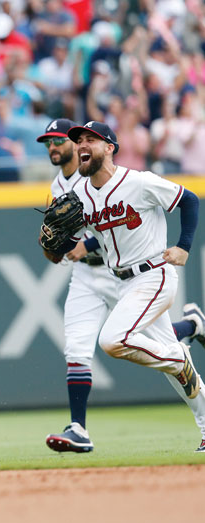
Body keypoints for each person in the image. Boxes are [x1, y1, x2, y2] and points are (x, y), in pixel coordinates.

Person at [39, 118, 205, 454]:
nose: (82, 145)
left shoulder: (139, 182)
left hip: (153, 275)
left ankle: (177, 357)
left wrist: (184, 246)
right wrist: (51, 242)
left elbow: (189, 200)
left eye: (90, 140)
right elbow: (64, 247)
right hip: (121, 281)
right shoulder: (80, 195)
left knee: (113, 340)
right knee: (169, 363)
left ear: (109, 147)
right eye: (78, 141)